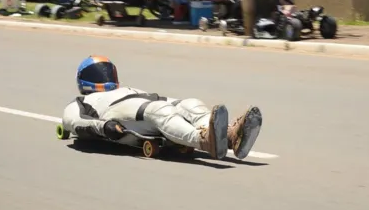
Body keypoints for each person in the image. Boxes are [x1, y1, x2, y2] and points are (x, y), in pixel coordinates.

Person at [61, 56, 263, 160]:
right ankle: (203, 140)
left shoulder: (128, 88)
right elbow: (74, 121)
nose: (105, 76)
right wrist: (103, 127)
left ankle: (229, 137)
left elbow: (153, 100)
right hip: (120, 115)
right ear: (85, 80)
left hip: (146, 105)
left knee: (190, 104)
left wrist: (179, 105)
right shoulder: (81, 102)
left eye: (107, 71)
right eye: (98, 72)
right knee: (159, 110)